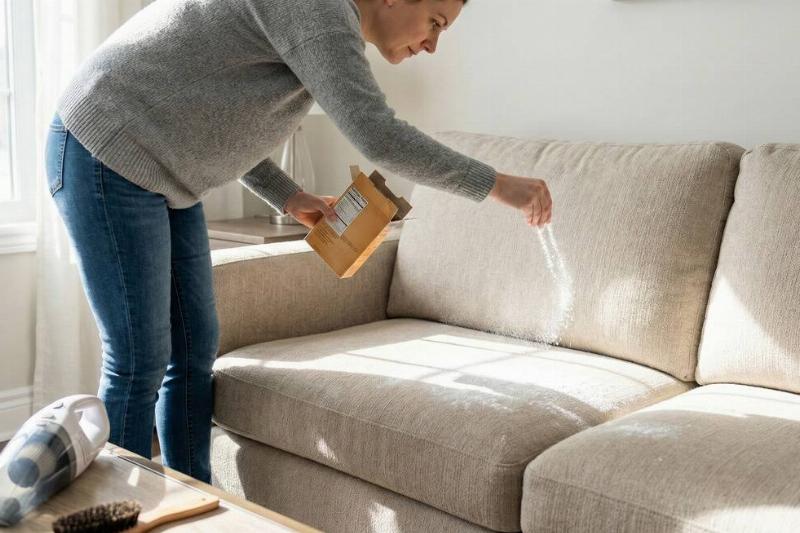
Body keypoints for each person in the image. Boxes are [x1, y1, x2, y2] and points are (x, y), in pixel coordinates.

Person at [44, 0, 553, 483]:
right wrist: (498, 184)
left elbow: (223, 115)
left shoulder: (325, 23)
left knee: (193, 351)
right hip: (104, 147)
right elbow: (377, 136)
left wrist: (288, 197)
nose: (432, 45)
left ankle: (192, 498)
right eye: (436, 22)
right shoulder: (320, 10)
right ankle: (116, 513)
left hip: (165, 173)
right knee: (139, 360)